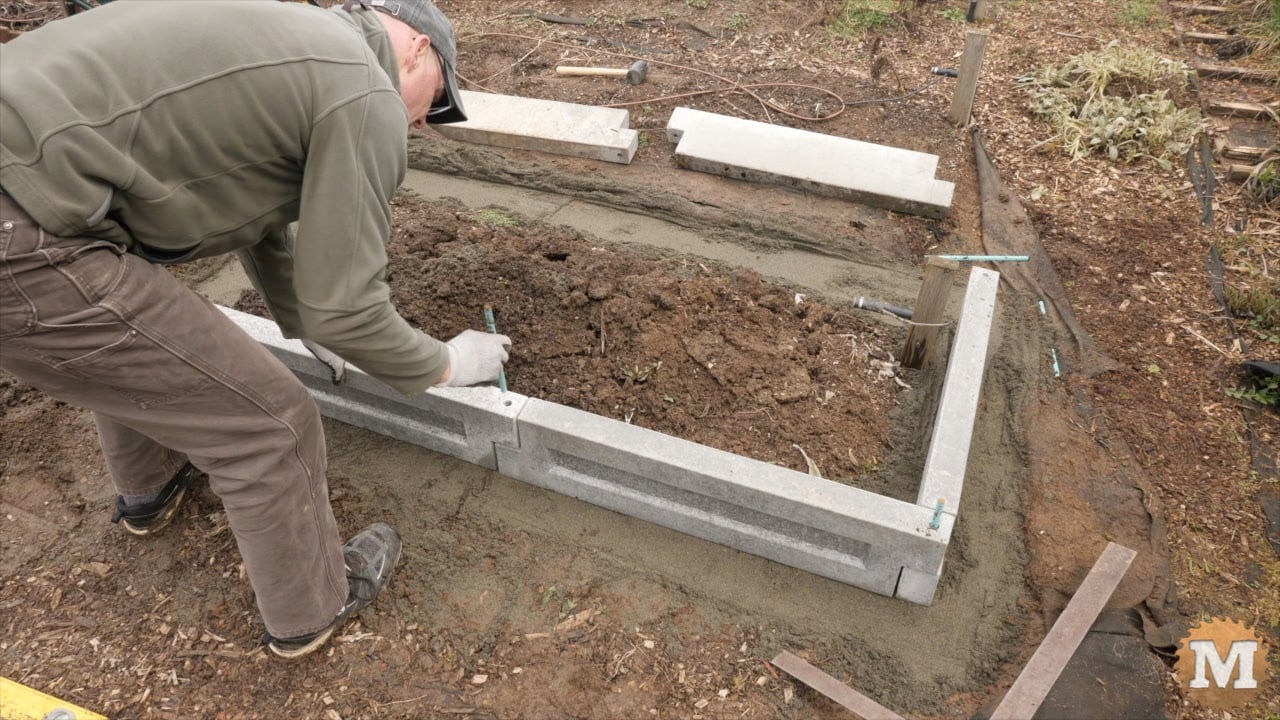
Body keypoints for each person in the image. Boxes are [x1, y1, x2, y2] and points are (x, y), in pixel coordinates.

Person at [0, 0, 511, 659]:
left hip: (32, 187)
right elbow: (346, 308)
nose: (420, 124)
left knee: (137, 341)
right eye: (434, 101)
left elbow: (246, 204)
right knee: (271, 422)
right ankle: (310, 609)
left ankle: (151, 490)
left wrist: (299, 316)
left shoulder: (289, 40)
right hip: (26, 234)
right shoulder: (363, 88)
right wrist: (446, 363)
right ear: (415, 47)